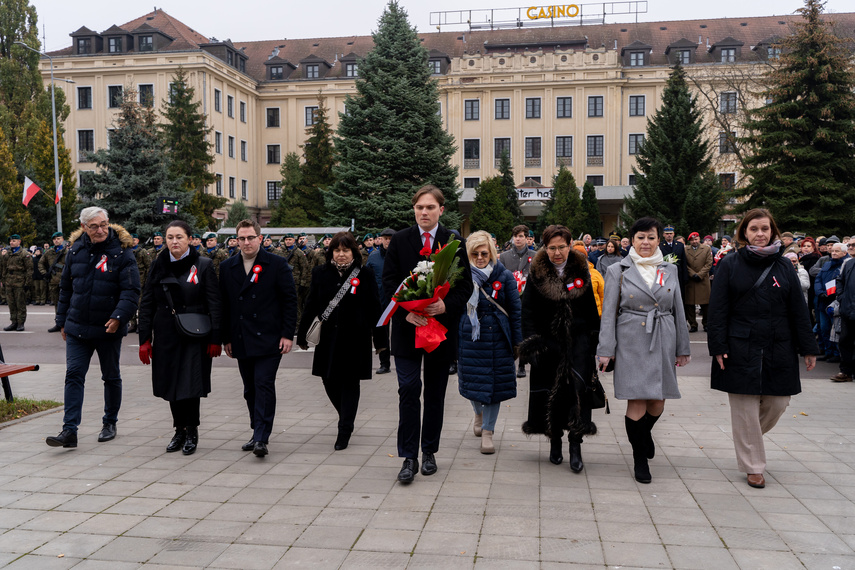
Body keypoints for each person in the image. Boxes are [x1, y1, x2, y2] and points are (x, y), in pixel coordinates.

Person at [707, 209, 818, 489]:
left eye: (765, 229)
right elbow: (717, 309)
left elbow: (798, 309)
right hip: (739, 343)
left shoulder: (783, 266)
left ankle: (747, 438)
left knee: (779, 402)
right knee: (744, 406)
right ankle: (753, 466)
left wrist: (808, 346)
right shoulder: (730, 264)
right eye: (754, 229)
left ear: (773, 232)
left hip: (778, 344)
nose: (760, 234)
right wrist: (717, 346)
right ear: (744, 233)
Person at [382, 185, 473, 484]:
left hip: (439, 332)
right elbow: (389, 282)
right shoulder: (400, 240)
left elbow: (465, 288)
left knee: (434, 394)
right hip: (408, 331)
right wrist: (404, 311)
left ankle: (429, 451)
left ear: (441, 210)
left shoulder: (453, 241)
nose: (424, 212)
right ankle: (408, 457)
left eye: (430, 207)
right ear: (414, 209)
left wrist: (444, 305)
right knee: (408, 389)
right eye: (420, 207)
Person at [597, 217, 691, 483]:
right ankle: (640, 459)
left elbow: (678, 308)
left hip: (663, 337)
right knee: (637, 399)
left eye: (651, 237)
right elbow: (608, 313)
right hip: (631, 339)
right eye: (640, 238)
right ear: (632, 241)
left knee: (658, 401)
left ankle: (644, 434)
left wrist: (682, 347)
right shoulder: (619, 270)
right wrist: (606, 349)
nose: (646, 243)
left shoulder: (669, 269)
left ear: (659, 240)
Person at [46, 207, 140, 448]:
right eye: (94, 226)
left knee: (110, 376)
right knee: (74, 375)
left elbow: (131, 290)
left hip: (108, 328)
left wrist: (120, 316)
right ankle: (69, 430)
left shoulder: (122, 251)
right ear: (84, 227)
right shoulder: (75, 249)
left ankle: (110, 422)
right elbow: (66, 288)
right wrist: (61, 321)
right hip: (77, 327)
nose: (101, 230)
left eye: (104, 224)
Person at [520, 225, 600, 473]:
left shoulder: (581, 270)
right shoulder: (537, 273)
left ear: (569, 245)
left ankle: (575, 444)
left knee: (577, 391)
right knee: (551, 393)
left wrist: (595, 343)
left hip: (578, 343)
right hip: (548, 343)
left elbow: (590, 311)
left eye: (562, 247)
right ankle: (555, 440)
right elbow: (528, 311)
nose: (557, 253)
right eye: (552, 248)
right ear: (545, 248)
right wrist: (531, 344)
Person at [138, 220, 222, 455]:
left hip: (195, 334)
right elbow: (147, 303)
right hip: (166, 333)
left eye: (179, 237)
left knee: (190, 384)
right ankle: (179, 430)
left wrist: (216, 337)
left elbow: (215, 303)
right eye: (170, 237)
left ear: (189, 239)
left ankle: (192, 430)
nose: (174, 242)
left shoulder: (203, 265)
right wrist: (144, 339)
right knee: (171, 383)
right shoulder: (158, 265)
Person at [297, 232, 382, 450]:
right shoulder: (320, 273)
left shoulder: (365, 274)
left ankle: (345, 427)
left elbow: (375, 308)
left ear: (354, 251)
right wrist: (302, 335)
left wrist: (381, 341)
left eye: (346, 250)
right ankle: (345, 415)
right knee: (328, 380)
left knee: (350, 383)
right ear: (331, 252)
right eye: (337, 250)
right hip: (328, 338)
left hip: (356, 338)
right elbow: (311, 305)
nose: (341, 254)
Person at [220, 219, 297, 458]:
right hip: (241, 338)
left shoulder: (276, 264)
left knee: (263, 384)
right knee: (249, 388)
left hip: (269, 338)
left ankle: (262, 437)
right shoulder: (227, 266)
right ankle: (256, 431)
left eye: (250, 237)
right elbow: (225, 305)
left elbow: (289, 301)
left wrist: (287, 334)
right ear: (236, 240)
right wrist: (226, 338)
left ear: (260, 238)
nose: (246, 242)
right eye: (241, 238)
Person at [458, 231, 522, 455]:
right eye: (474, 254)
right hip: (470, 337)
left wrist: (518, 342)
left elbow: (515, 310)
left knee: (494, 388)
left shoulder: (503, 276)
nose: (479, 258)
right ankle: (478, 413)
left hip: (498, 338)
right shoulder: (460, 275)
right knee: (473, 384)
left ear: (492, 253)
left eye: (484, 253)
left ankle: (488, 431)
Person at [499, 224, 534, 378]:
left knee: (525, 331)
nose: (518, 239)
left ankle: (522, 364)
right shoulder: (505, 256)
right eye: (516, 236)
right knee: (511, 329)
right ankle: (510, 360)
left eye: (521, 236)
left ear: (527, 238)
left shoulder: (535, 255)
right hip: (510, 298)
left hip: (527, 299)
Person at [365, 228, 395, 374]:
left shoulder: (400, 255)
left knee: (401, 331)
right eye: (385, 238)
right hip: (381, 300)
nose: (388, 241)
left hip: (399, 300)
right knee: (382, 332)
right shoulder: (374, 257)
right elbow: (367, 277)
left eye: (390, 238)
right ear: (381, 239)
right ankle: (385, 364)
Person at [815, 242, 848, 362]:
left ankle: (836, 353)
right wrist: (820, 293)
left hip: (834, 301)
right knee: (824, 328)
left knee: (835, 329)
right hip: (822, 300)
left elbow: (839, 282)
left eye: (837, 251)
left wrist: (829, 293)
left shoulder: (845, 265)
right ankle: (828, 351)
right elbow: (818, 279)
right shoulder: (827, 264)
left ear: (844, 253)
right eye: (833, 251)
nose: (833, 253)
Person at [832, 242, 855, 383]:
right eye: (850, 245)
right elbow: (840, 281)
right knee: (845, 340)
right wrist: (841, 297)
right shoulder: (848, 264)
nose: (850, 247)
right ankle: (845, 372)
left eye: (853, 245)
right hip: (847, 310)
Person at [1, 234, 33, 331]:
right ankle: (13, 322)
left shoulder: (24, 254)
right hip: (9, 281)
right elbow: (3, 268)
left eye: (14, 241)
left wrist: (27, 284)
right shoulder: (7, 254)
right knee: (11, 303)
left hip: (20, 281)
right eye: (11, 241)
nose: (11, 242)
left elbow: (29, 270)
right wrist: (3, 280)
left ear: (19, 242)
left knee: (20, 304)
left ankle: (20, 323)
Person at [684, 232, 713, 333]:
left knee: (705, 304)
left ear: (699, 239)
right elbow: (685, 264)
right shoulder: (685, 249)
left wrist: (700, 274)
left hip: (703, 280)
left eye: (696, 239)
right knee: (690, 304)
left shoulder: (706, 249)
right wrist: (692, 274)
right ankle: (693, 324)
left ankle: (706, 324)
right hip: (691, 280)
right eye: (692, 240)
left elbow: (709, 263)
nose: (694, 241)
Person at [660, 225, 688, 295]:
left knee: (679, 294)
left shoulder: (679, 245)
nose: (669, 235)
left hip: (678, 274)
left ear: (673, 234)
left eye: (670, 233)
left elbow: (683, 261)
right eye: (667, 234)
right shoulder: (660, 246)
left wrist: (685, 276)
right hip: (665, 274)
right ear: (663, 235)